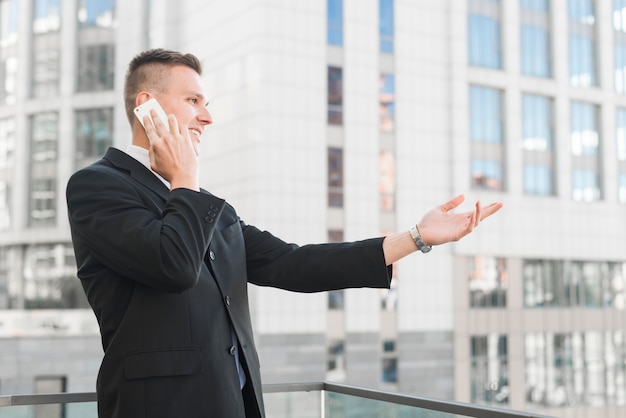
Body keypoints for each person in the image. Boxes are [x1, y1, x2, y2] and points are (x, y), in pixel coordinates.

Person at [66, 48, 502, 418]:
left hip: (234, 403)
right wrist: (185, 179)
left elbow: (291, 263)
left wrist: (416, 236)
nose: (207, 116)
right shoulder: (98, 186)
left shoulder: (203, 203)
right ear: (148, 105)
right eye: (193, 100)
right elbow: (173, 266)